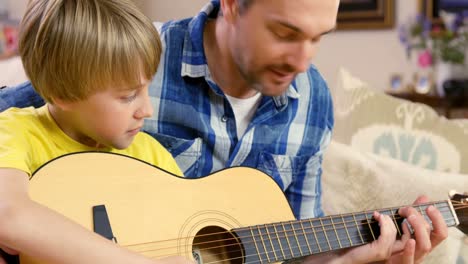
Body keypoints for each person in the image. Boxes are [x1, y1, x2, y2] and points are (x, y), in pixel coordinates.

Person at [0, 0, 448, 263]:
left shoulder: (313, 102)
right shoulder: (129, 52)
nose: (303, 61)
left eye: (319, 38)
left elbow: (294, 244)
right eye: (284, 32)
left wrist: (355, 257)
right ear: (232, 4)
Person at [0, 0, 192, 263]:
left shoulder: (153, 157)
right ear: (62, 93)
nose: (146, 109)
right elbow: (9, 216)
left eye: (147, 88)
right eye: (128, 96)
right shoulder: (14, 132)